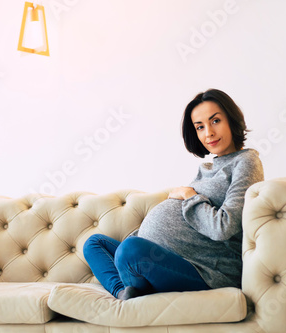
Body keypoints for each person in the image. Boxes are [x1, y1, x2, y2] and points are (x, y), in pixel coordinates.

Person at [83, 88, 264, 300]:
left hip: (208, 272)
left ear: (231, 119)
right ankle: (125, 292)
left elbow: (224, 227)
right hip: (169, 260)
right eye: (200, 127)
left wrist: (189, 196)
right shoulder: (206, 168)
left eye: (215, 121)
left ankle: (133, 284)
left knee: (130, 250)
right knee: (94, 243)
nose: (209, 133)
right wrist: (149, 234)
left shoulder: (246, 162)